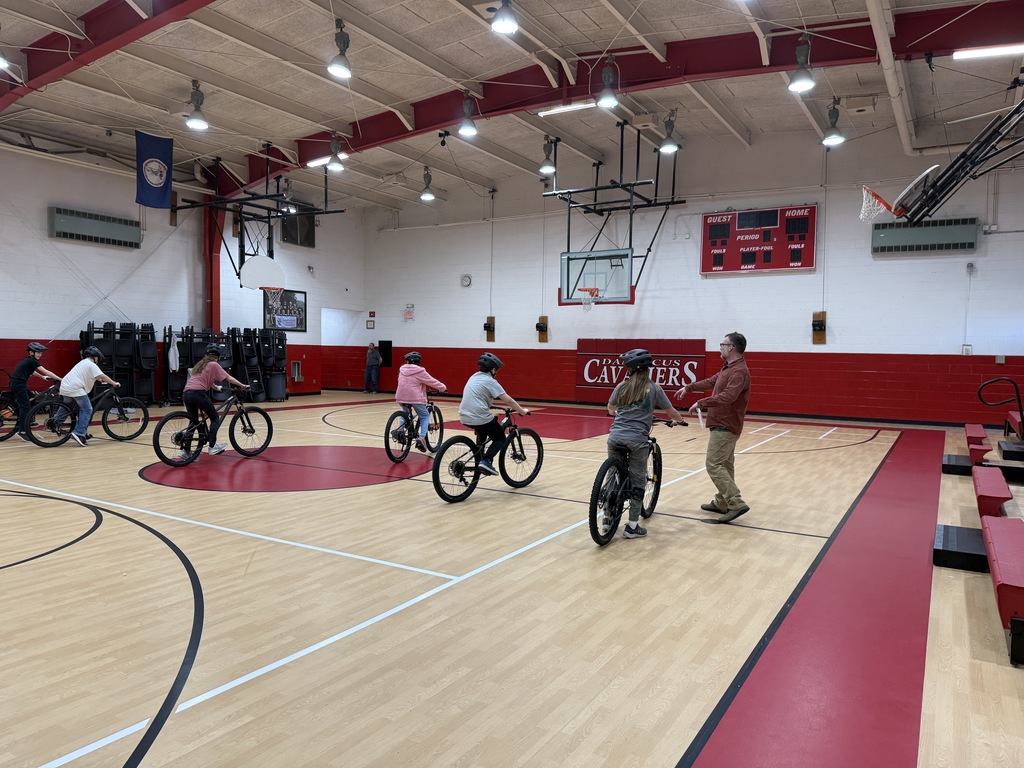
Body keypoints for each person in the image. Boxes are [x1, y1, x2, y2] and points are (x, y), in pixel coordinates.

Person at [607, 349, 686, 539]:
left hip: (614, 436)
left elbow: (611, 410)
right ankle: (632, 527)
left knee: (612, 476)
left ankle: (607, 518)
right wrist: (680, 421)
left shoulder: (621, 387)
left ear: (631, 370)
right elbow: (671, 412)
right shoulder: (654, 389)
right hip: (637, 440)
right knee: (638, 481)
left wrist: (622, 415)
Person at [675, 332, 752, 524]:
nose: (720, 347)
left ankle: (736, 502)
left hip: (726, 425)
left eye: (722, 344)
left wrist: (701, 403)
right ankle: (722, 502)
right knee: (725, 465)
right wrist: (688, 388)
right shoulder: (729, 368)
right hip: (722, 423)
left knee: (713, 464)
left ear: (731, 347)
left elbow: (728, 397)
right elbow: (712, 381)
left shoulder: (739, 371)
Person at [458, 352, 530, 476]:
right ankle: (486, 461)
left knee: (486, 426)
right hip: (479, 416)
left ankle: (480, 457)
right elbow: (509, 401)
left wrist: (488, 405)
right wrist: (522, 411)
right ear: (492, 369)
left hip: (464, 415)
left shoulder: (474, 376)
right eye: (496, 370)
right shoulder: (490, 381)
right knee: (500, 438)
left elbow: (477, 395)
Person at [182, 345, 251, 456]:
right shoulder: (214, 364)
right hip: (198, 393)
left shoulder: (201, 364)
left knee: (193, 421)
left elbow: (200, 379)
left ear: (206, 356)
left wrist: (215, 387)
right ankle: (212, 446)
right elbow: (228, 378)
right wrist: (242, 386)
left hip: (187, 394)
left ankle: (185, 450)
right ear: (218, 358)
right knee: (214, 418)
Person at [59, 346, 119, 447]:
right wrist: (114, 383)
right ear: (95, 357)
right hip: (75, 388)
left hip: (65, 386)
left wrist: (100, 379)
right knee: (87, 409)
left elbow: (91, 376)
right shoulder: (91, 364)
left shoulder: (82, 363)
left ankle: (56, 422)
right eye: (98, 359)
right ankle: (79, 433)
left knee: (67, 405)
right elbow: (102, 376)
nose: (98, 361)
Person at [10, 342, 63, 442]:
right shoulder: (32, 361)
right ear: (31, 352)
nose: (40, 354)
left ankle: (28, 420)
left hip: (18, 383)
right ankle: (22, 431)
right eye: (38, 352)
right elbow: (47, 371)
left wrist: (42, 377)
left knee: (32, 399)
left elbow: (32, 371)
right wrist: (61, 379)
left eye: (41, 353)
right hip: (18, 385)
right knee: (25, 407)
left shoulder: (28, 361)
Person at [395, 351, 447, 452]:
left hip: (401, 396)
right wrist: (443, 388)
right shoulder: (420, 371)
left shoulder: (402, 369)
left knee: (405, 412)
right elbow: (431, 381)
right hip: (414, 397)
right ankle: (422, 438)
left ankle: (400, 431)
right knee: (424, 416)